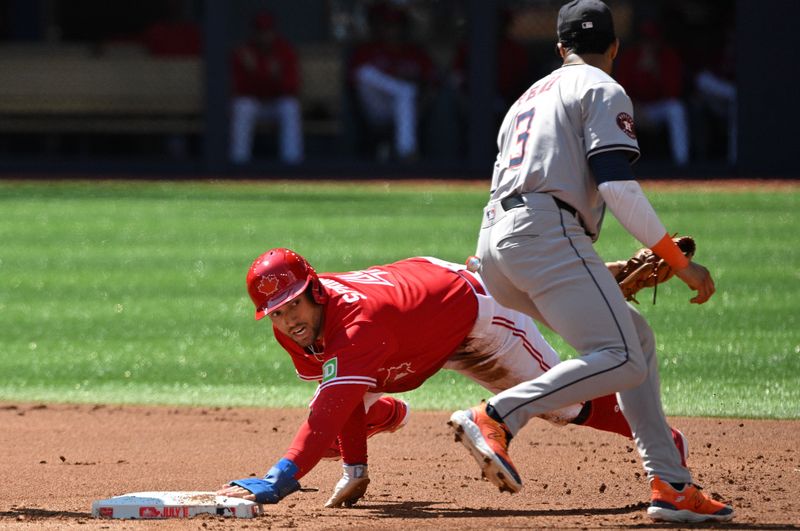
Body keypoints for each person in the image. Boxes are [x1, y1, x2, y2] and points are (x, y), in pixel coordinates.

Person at [447, 0, 733, 524]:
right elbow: (617, 187)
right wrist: (681, 262)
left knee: (635, 340)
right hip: (545, 232)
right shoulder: (602, 87)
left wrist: (592, 274)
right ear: (614, 47)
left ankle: (670, 483)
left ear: (560, 48)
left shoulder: (526, 98)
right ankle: (498, 414)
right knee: (621, 356)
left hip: (496, 243)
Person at [217, 248, 688, 508]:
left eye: (295, 302)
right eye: (275, 312)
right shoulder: (297, 329)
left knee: (562, 407)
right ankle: (386, 412)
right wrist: (355, 470)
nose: (288, 319)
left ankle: (664, 442)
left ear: (315, 291)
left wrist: (282, 476)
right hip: (411, 327)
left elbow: (329, 410)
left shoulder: (355, 325)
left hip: (471, 316)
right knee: (340, 403)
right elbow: (335, 400)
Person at [348, 3, 435, 162]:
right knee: (366, 74)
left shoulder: (415, 53)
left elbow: (431, 84)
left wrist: (420, 109)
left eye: (396, 26)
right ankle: (407, 151)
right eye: (387, 26)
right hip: (375, 109)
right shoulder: (367, 50)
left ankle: (406, 153)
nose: (391, 30)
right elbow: (355, 82)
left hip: (407, 110)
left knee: (405, 94)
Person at [229, 12, 303, 165]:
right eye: (260, 31)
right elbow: (238, 89)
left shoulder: (284, 51)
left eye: (267, 31)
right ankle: (238, 164)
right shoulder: (244, 52)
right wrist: (266, 75)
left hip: (276, 104)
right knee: (242, 106)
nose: (264, 36)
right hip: (254, 104)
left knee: (290, 107)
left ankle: (292, 164)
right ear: (254, 33)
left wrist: (259, 72)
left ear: (273, 32)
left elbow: (292, 87)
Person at [615, 20, 690, 167]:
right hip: (635, 108)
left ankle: (682, 163)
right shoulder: (630, 57)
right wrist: (634, 107)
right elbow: (619, 92)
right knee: (618, 111)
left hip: (658, 108)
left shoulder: (667, 56)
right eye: (645, 40)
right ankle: (622, 164)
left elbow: (673, 92)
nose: (648, 45)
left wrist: (656, 71)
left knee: (676, 109)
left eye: (651, 41)